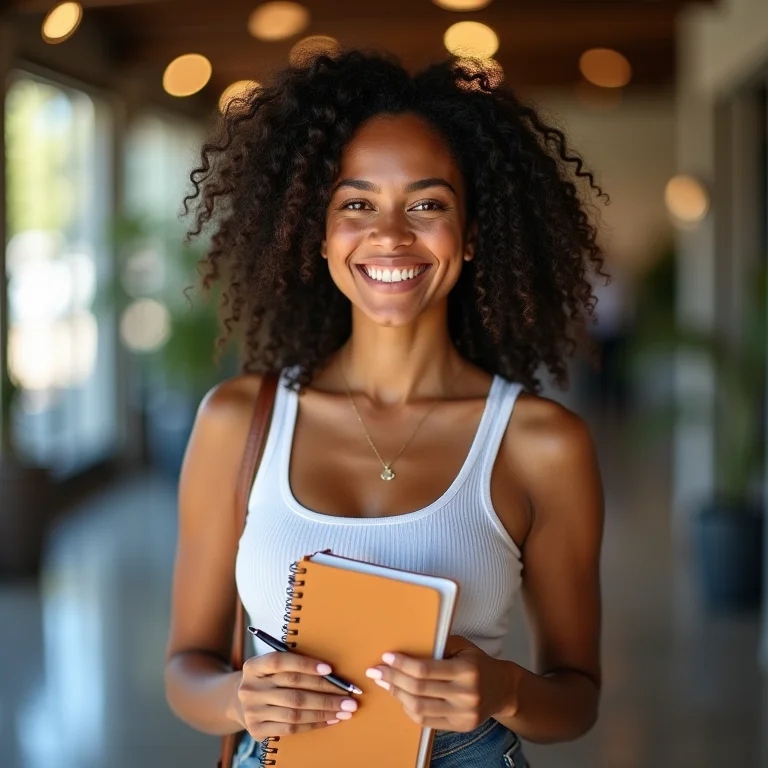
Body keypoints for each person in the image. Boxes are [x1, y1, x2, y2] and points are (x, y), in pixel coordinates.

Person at [164, 49, 606, 767]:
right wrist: (239, 697)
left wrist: (503, 689)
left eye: (427, 204)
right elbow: (187, 667)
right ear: (320, 233)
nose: (391, 235)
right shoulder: (238, 421)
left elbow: (576, 699)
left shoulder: (541, 444)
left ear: (470, 237)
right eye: (357, 204)